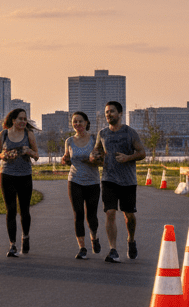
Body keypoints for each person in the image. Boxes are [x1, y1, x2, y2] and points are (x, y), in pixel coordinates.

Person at [91, 100, 146, 263]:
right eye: (107, 112)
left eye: (112, 111)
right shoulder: (102, 134)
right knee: (110, 212)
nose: (109, 114)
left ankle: (131, 240)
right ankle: (113, 249)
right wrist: (94, 157)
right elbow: (97, 152)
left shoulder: (130, 133)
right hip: (108, 179)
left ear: (120, 114)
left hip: (128, 180)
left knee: (129, 215)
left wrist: (128, 157)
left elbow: (142, 153)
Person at [0, 108, 40, 257]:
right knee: (11, 210)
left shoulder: (29, 134)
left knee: (24, 210)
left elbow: (37, 156)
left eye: (25, 119)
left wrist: (28, 151)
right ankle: (12, 244)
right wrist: (2, 155)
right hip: (7, 175)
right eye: (20, 119)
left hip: (25, 175)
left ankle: (25, 237)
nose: (23, 122)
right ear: (13, 120)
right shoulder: (4, 134)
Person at [62, 111, 102, 259]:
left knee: (91, 215)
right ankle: (82, 248)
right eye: (75, 122)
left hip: (92, 181)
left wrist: (94, 159)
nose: (77, 124)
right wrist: (65, 159)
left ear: (86, 123)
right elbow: (67, 160)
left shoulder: (94, 139)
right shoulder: (69, 141)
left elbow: (102, 160)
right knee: (78, 214)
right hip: (74, 180)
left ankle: (94, 236)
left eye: (80, 121)